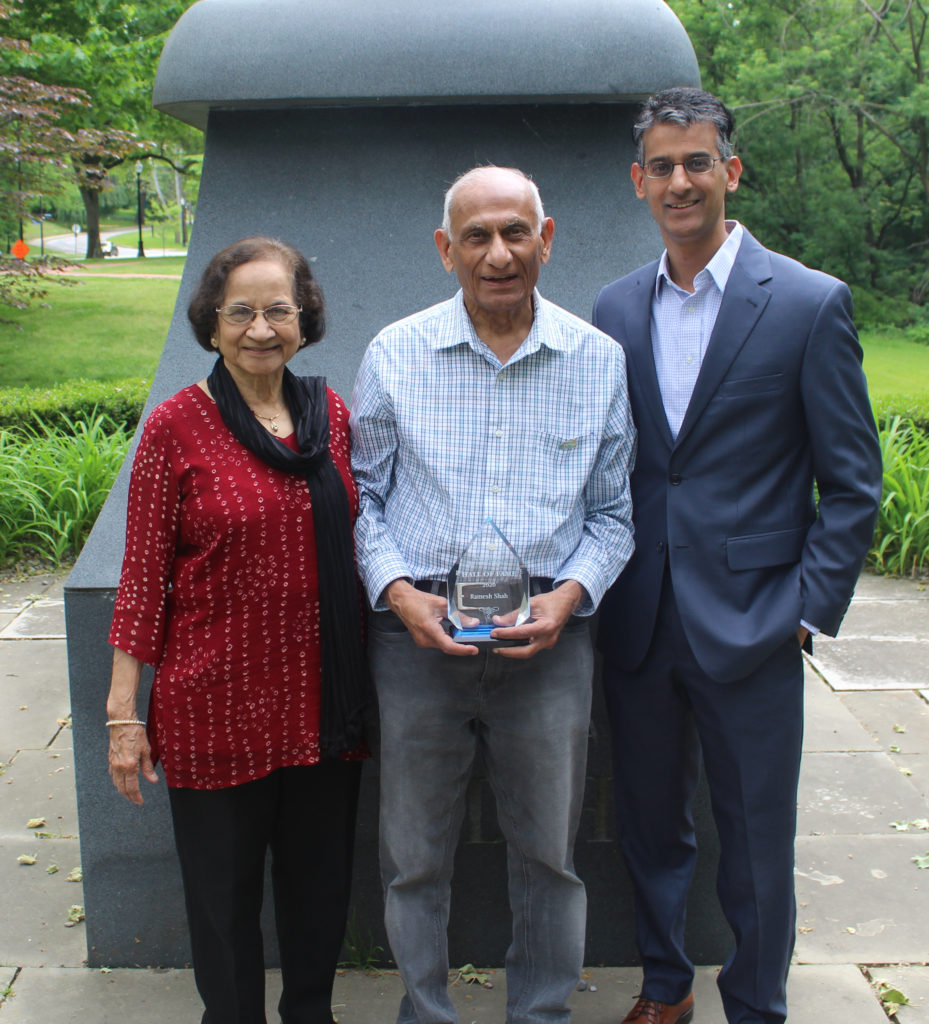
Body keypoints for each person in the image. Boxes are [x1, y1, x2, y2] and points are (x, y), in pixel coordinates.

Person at [592, 88, 883, 1024]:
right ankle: (665, 985)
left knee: (757, 836)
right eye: (662, 166)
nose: (681, 181)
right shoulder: (614, 307)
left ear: (730, 170)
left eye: (698, 162)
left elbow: (851, 482)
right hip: (638, 615)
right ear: (639, 182)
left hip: (756, 620)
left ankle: (756, 1003)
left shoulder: (804, 302)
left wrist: (805, 610)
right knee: (647, 823)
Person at [350, 165, 636, 1024]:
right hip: (416, 641)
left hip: (549, 640)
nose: (498, 252)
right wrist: (397, 593)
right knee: (413, 857)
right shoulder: (394, 354)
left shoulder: (597, 360)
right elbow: (362, 500)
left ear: (546, 240)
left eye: (516, 232)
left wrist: (572, 596)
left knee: (549, 854)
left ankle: (541, 1013)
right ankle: (425, 1012)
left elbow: (615, 514)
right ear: (446, 250)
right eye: (476, 235)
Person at [106, 236, 367, 1024]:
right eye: (241, 311)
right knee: (222, 907)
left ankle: (310, 1015)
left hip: (322, 707)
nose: (261, 328)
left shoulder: (331, 416)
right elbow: (143, 580)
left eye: (278, 309)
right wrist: (124, 715)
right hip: (213, 708)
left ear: (305, 318)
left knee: (319, 889)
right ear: (212, 324)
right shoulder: (175, 428)